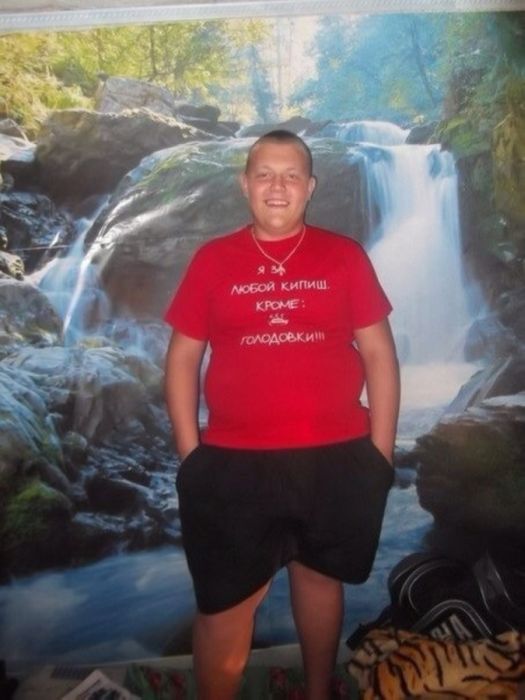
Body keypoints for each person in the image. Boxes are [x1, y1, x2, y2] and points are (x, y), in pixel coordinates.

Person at [164, 130, 400, 700]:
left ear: (310, 187)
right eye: (265, 174)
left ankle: (318, 691)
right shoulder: (213, 259)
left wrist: (381, 455)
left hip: (336, 456)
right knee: (224, 605)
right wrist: (191, 456)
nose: (278, 186)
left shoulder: (344, 256)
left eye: (291, 175)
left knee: (319, 580)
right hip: (233, 463)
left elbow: (379, 355)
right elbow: (183, 358)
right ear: (245, 184)